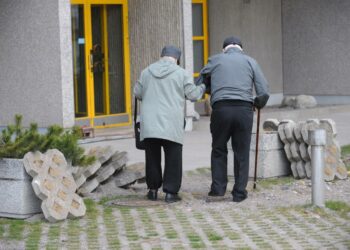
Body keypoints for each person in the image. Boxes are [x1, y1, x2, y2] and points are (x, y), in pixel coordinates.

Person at [197, 36, 270, 202]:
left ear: (224, 49)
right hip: (244, 110)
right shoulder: (251, 61)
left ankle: (218, 190)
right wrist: (257, 104)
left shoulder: (214, 60)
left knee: (218, 149)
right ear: (241, 49)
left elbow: (200, 82)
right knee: (242, 152)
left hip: (221, 109)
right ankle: (238, 193)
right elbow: (263, 91)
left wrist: (212, 90)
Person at [134, 45, 205, 203]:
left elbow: (137, 93)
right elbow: (193, 95)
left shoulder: (146, 71)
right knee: (173, 158)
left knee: (152, 157)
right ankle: (170, 193)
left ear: (161, 56)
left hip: (150, 123)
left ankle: (152, 190)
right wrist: (202, 86)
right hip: (171, 123)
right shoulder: (181, 73)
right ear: (177, 59)